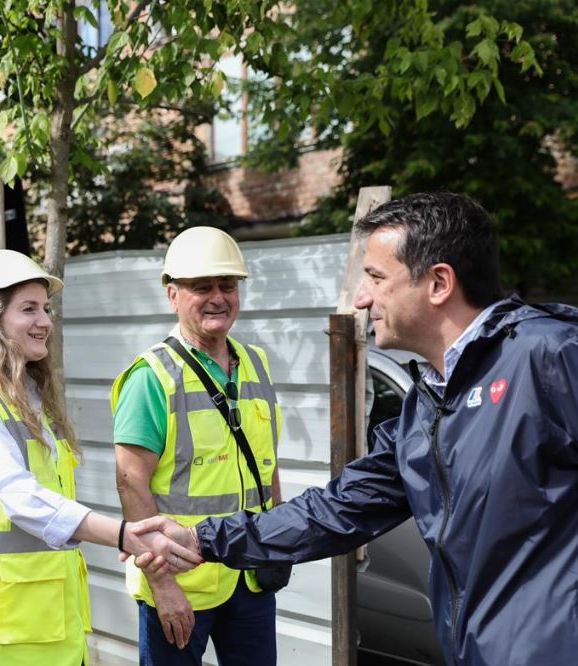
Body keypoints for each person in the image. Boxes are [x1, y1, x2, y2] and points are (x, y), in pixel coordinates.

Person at [135, 192, 578, 666]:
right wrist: (203, 539)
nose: (363, 298)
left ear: (438, 283)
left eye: (376, 278)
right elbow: (336, 509)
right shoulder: (427, 408)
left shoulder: (549, 356)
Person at [0, 249, 201, 666]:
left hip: (52, 632)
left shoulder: (27, 399)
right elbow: (23, 499)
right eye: (28, 309)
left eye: (46, 309)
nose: (45, 322)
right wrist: (124, 534)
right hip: (1, 639)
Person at [112, 227, 284, 666]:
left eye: (227, 286)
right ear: (172, 295)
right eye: (201, 287)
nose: (218, 297)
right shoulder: (151, 376)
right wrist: (162, 585)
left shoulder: (256, 364)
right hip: (182, 586)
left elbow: (268, 467)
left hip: (250, 577)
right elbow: (131, 483)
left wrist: (280, 543)